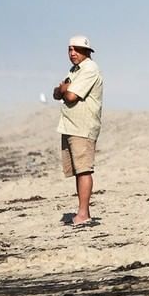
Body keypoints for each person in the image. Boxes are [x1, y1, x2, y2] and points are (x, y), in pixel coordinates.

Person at [53, 34, 104, 227]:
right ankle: (82, 213)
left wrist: (64, 89)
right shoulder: (75, 70)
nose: (72, 53)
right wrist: (63, 89)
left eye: (77, 49)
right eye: (70, 49)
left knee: (84, 170)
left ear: (87, 51)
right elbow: (57, 93)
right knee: (78, 171)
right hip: (70, 125)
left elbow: (71, 96)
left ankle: (83, 214)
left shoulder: (90, 69)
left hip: (82, 126)